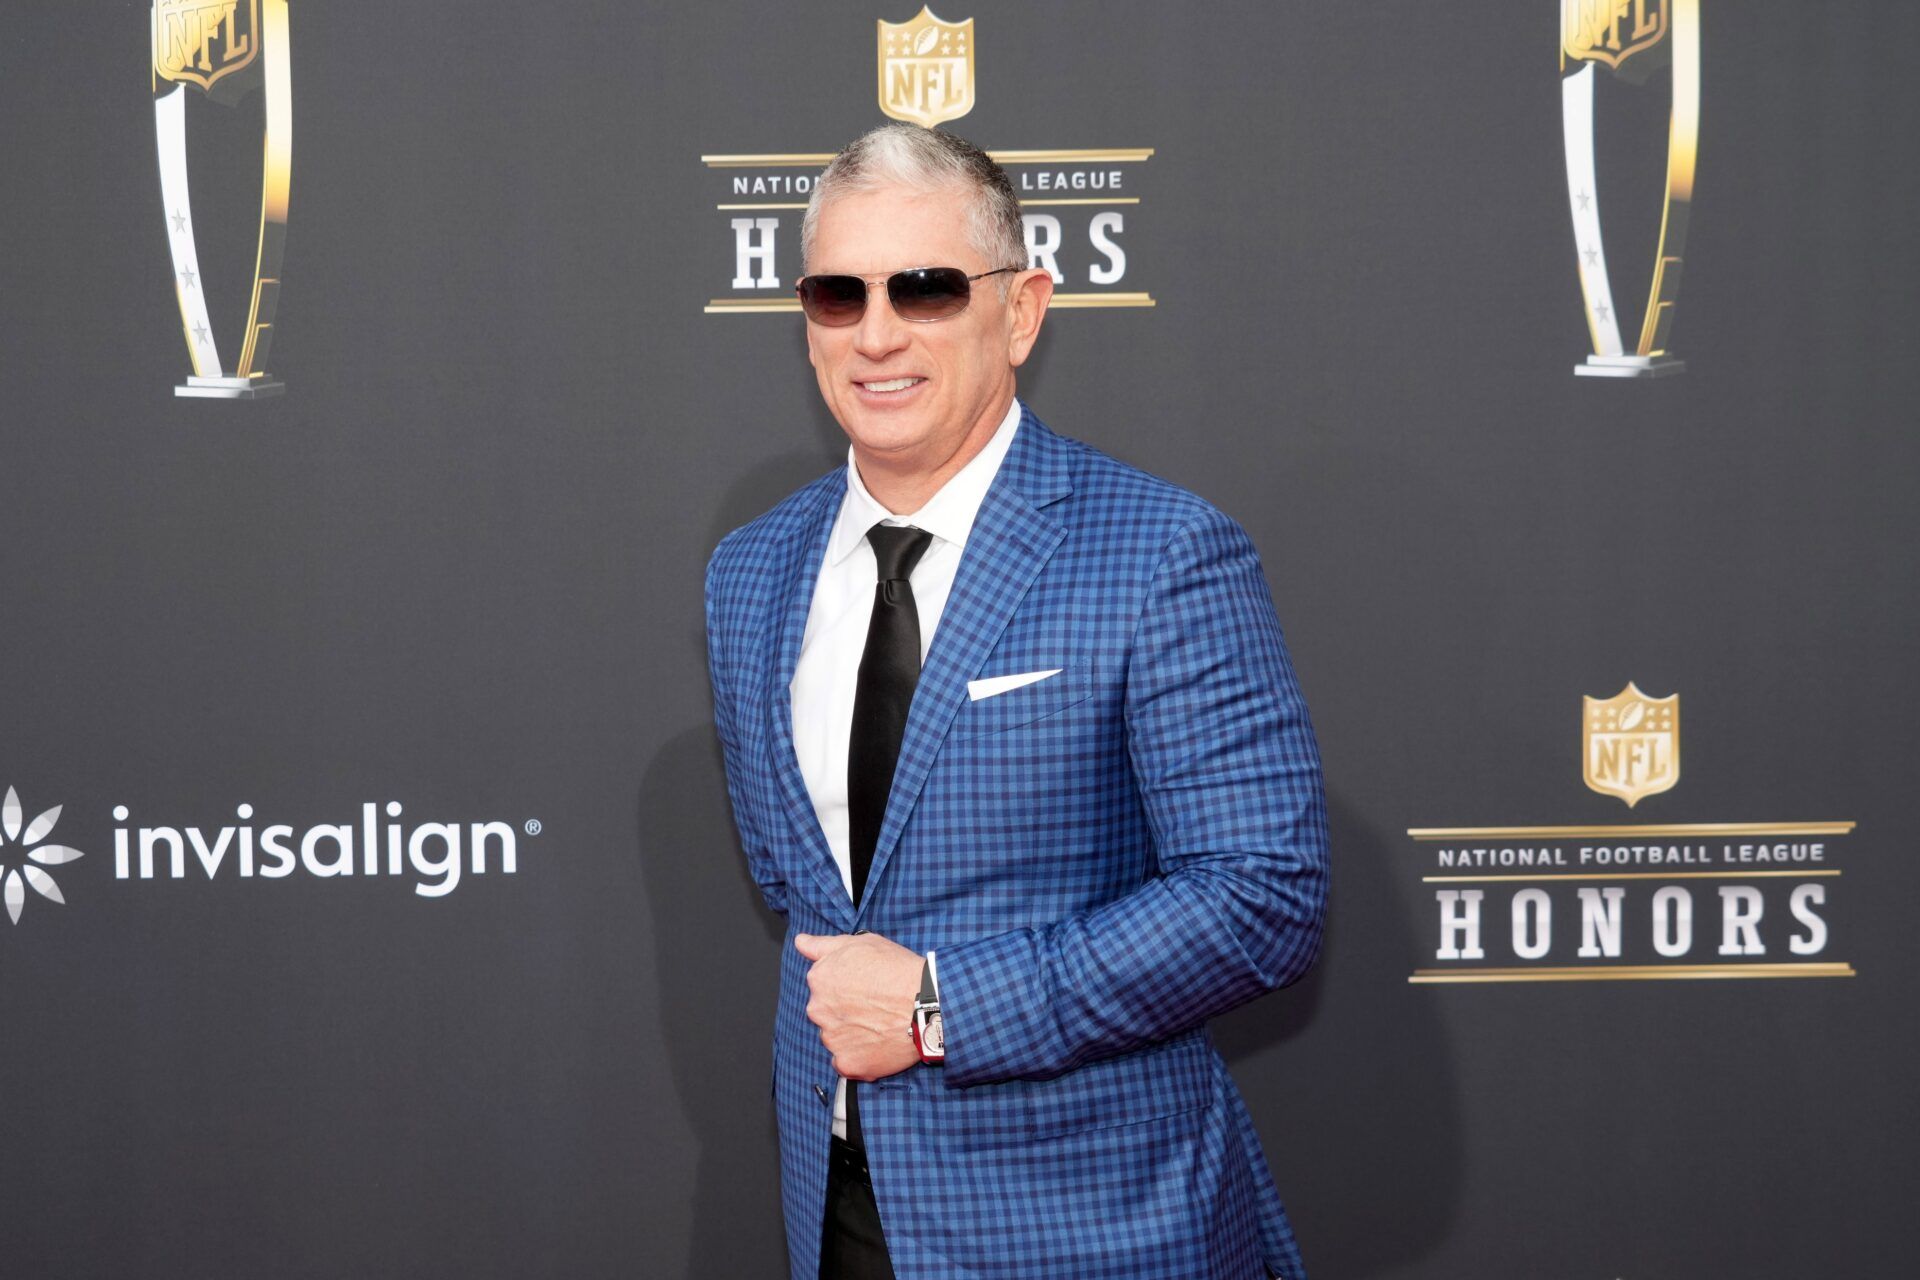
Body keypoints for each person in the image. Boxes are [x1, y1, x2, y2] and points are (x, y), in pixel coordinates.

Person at [704, 123, 1329, 1280]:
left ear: (1024, 309)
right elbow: (804, 893)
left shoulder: (1160, 550)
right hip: (842, 1211)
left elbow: (1263, 895)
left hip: (1098, 1224)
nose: (877, 332)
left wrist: (941, 1005)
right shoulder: (750, 573)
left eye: (927, 289)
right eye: (839, 294)